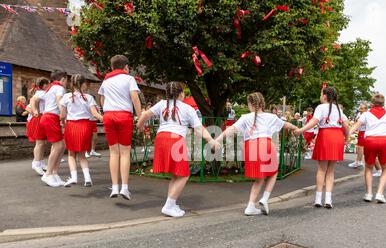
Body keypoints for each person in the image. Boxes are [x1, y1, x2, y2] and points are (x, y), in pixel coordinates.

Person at [137, 82, 217, 218]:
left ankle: (172, 204)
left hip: (161, 138)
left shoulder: (161, 104)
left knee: (176, 174)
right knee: (184, 174)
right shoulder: (187, 108)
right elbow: (199, 129)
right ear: (181, 93)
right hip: (175, 140)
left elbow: (144, 115)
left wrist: (139, 126)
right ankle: (168, 205)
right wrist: (211, 140)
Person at [215, 92, 301, 216]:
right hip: (265, 144)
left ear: (250, 104)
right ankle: (264, 199)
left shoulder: (245, 117)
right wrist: (296, 128)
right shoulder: (270, 117)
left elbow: (232, 129)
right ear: (262, 103)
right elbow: (285, 124)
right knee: (273, 172)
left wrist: (217, 139)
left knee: (259, 178)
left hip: (251, 147)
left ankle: (250, 206)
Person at [98, 55, 142, 200]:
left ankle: (114, 187)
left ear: (111, 67)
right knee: (124, 152)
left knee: (113, 152)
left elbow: (102, 99)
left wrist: (106, 111)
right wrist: (140, 117)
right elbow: (135, 98)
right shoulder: (129, 79)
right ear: (126, 67)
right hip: (124, 116)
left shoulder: (106, 80)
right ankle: (124, 188)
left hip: (109, 115)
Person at [298, 87, 349, 209]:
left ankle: (318, 199)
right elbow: (346, 125)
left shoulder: (321, 107)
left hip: (325, 135)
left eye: (321, 94)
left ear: (325, 96)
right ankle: (328, 199)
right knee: (330, 170)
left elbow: (314, 121)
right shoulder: (338, 109)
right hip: (337, 137)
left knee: (322, 169)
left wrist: (301, 130)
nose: (320, 96)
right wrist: (346, 138)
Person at [349, 93, 386, 204]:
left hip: (370, 140)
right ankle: (380, 193)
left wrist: (347, 134)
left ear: (372, 103)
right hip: (385, 141)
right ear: (383, 104)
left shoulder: (366, 114)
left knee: (368, 167)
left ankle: (368, 193)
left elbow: (356, 126)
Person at [61, 74, 103, 187]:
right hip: (85, 126)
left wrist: (62, 123)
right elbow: (95, 114)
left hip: (71, 126)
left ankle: (74, 177)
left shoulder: (66, 97)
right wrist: (106, 120)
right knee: (82, 155)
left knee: (71, 154)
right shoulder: (89, 97)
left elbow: (62, 115)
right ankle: (87, 179)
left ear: (71, 84)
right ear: (83, 84)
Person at [39, 70, 68, 187]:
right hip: (51, 117)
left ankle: (54, 174)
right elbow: (59, 102)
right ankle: (48, 174)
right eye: (66, 80)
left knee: (61, 145)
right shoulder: (59, 88)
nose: (67, 83)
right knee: (58, 146)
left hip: (48, 117)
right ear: (63, 79)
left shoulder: (50, 88)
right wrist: (63, 117)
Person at [27, 77, 50, 175]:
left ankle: (40, 162)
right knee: (40, 143)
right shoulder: (41, 93)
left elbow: (29, 106)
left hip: (41, 118)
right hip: (39, 119)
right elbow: (32, 101)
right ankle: (36, 163)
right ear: (44, 85)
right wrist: (35, 112)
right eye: (48, 84)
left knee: (43, 143)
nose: (49, 86)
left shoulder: (41, 93)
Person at [349, 103, 368, 168]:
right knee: (359, 147)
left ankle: (359, 161)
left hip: (364, 132)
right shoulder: (359, 114)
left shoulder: (366, 115)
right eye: (360, 108)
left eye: (362, 108)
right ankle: (358, 161)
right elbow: (356, 122)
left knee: (360, 147)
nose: (360, 110)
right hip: (360, 132)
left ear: (366, 109)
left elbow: (359, 123)